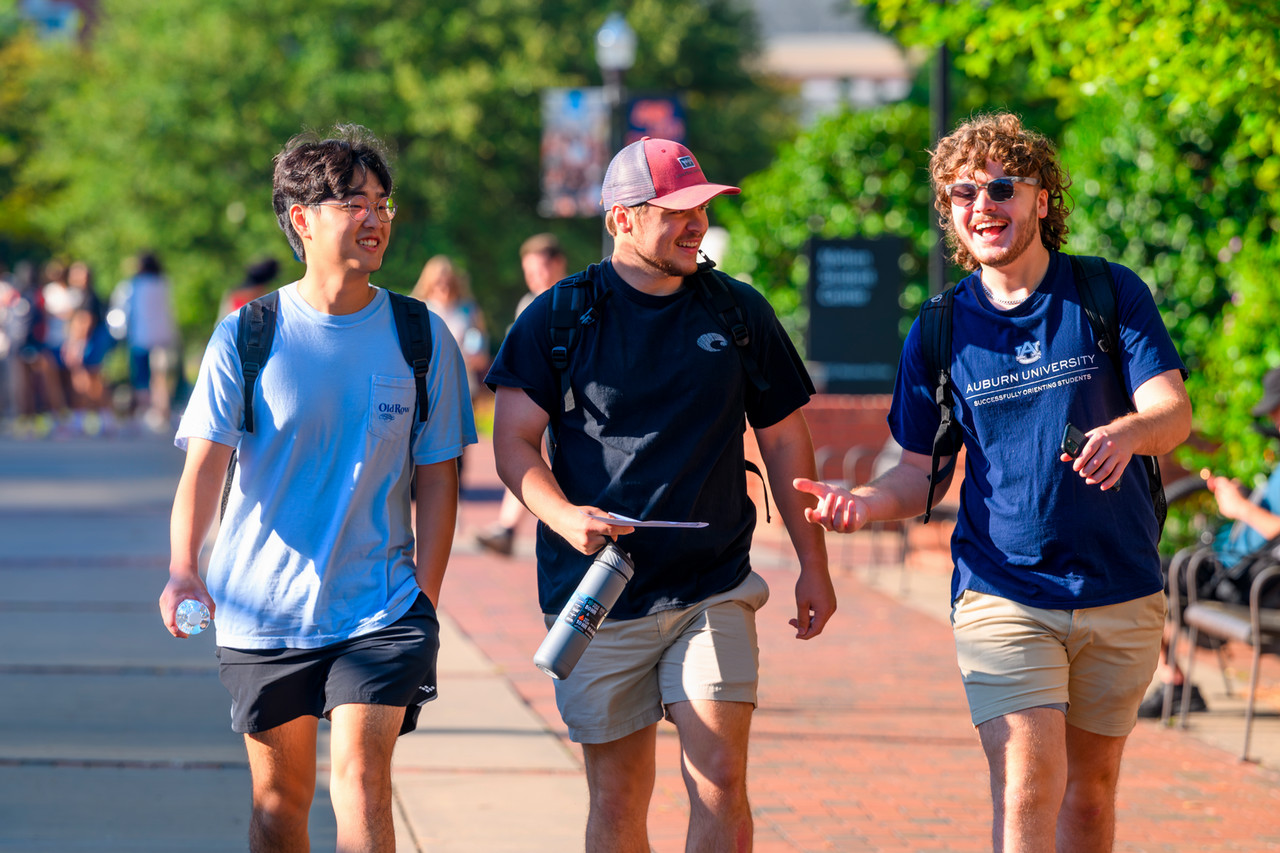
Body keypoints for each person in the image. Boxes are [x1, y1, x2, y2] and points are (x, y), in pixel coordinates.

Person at [795, 112, 1191, 852]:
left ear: (1042, 199)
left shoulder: (1106, 293)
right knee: (1028, 778)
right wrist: (866, 504)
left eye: (1002, 187)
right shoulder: (941, 328)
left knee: (1092, 792)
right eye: (961, 192)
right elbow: (916, 471)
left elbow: (1171, 410)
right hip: (1002, 589)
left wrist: (1128, 432)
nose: (983, 205)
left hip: (1121, 583)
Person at [486, 137, 835, 851]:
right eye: (674, 211)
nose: (695, 223)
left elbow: (784, 440)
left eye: (700, 207)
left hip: (713, 587)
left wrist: (814, 562)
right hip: (599, 594)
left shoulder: (737, 312)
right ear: (620, 220)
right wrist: (562, 515)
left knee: (720, 778)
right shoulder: (558, 318)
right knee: (618, 801)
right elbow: (513, 441)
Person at [159, 124, 477, 853]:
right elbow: (204, 467)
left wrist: (425, 597)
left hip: (381, 604)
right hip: (261, 607)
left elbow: (438, 477)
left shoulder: (421, 335)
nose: (374, 218)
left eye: (382, 203)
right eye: (352, 203)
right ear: (302, 220)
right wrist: (183, 568)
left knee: (362, 783)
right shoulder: (249, 333)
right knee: (279, 805)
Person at [1139, 366, 1280, 717]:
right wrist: (1240, 497)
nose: (1275, 420)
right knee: (1140, 566)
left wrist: (1242, 508)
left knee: (1143, 572)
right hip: (1239, 570)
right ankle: (1175, 680)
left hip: (1257, 583)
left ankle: (1175, 681)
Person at [475, 232, 566, 556]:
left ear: (557, 265)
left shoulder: (576, 300)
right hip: (534, 394)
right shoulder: (528, 303)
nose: (533, 277)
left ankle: (516, 527)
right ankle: (510, 527)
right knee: (524, 453)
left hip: (567, 399)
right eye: (528, 271)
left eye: (538, 269)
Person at [110, 251, 179, 430]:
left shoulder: (132, 285)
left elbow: (122, 311)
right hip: (163, 336)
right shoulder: (163, 283)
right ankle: (162, 412)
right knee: (161, 376)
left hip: (140, 337)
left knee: (142, 378)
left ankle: (145, 411)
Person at [411, 254, 488, 397]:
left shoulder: (469, 310)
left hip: (463, 386)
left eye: (448, 283)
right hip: (428, 387)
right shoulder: (418, 310)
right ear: (428, 283)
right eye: (438, 282)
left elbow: (482, 355)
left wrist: (476, 356)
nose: (444, 288)